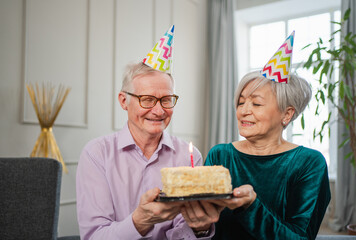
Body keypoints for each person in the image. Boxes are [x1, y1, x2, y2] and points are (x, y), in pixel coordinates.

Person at [76, 25, 222, 240]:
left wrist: (200, 228)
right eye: (147, 99)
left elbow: (189, 231)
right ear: (124, 101)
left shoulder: (189, 156)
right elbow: (94, 236)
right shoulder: (97, 153)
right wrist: (139, 221)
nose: (159, 110)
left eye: (166, 99)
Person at [206, 32, 331, 240]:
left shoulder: (309, 163)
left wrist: (251, 206)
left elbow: (300, 237)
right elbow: (206, 226)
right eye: (241, 102)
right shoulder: (220, 155)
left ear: (287, 114)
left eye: (256, 103)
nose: (244, 110)